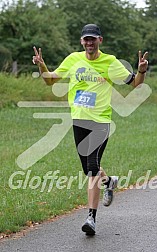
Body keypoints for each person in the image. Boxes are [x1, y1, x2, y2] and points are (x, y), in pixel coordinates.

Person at [32, 23, 148, 235]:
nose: (89, 42)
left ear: (100, 40)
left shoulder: (110, 62)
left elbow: (136, 84)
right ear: (81, 41)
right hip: (78, 121)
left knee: (92, 166)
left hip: (101, 122)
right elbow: (50, 80)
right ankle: (109, 181)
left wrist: (142, 71)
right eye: (86, 39)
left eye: (93, 39)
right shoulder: (73, 59)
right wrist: (42, 65)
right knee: (88, 169)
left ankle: (91, 219)